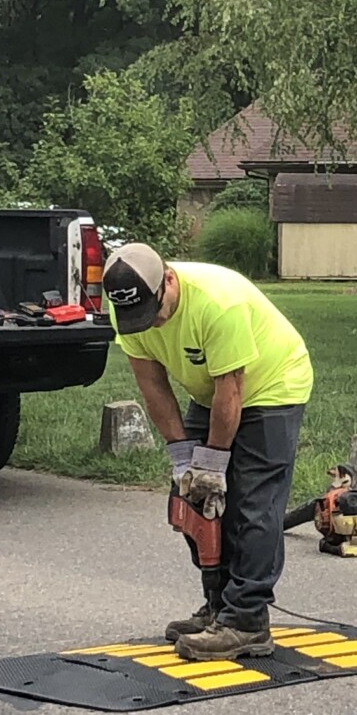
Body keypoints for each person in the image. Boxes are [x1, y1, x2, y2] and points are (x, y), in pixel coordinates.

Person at [104, 243, 313, 661]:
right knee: (194, 502)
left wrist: (213, 465)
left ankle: (247, 620)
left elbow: (231, 389)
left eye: (155, 310)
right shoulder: (127, 309)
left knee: (252, 503)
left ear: (167, 280)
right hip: (210, 392)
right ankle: (218, 606)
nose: (151, 322)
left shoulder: (219, 302)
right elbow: (154, 387)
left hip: (271, 386)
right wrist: (184, 458)